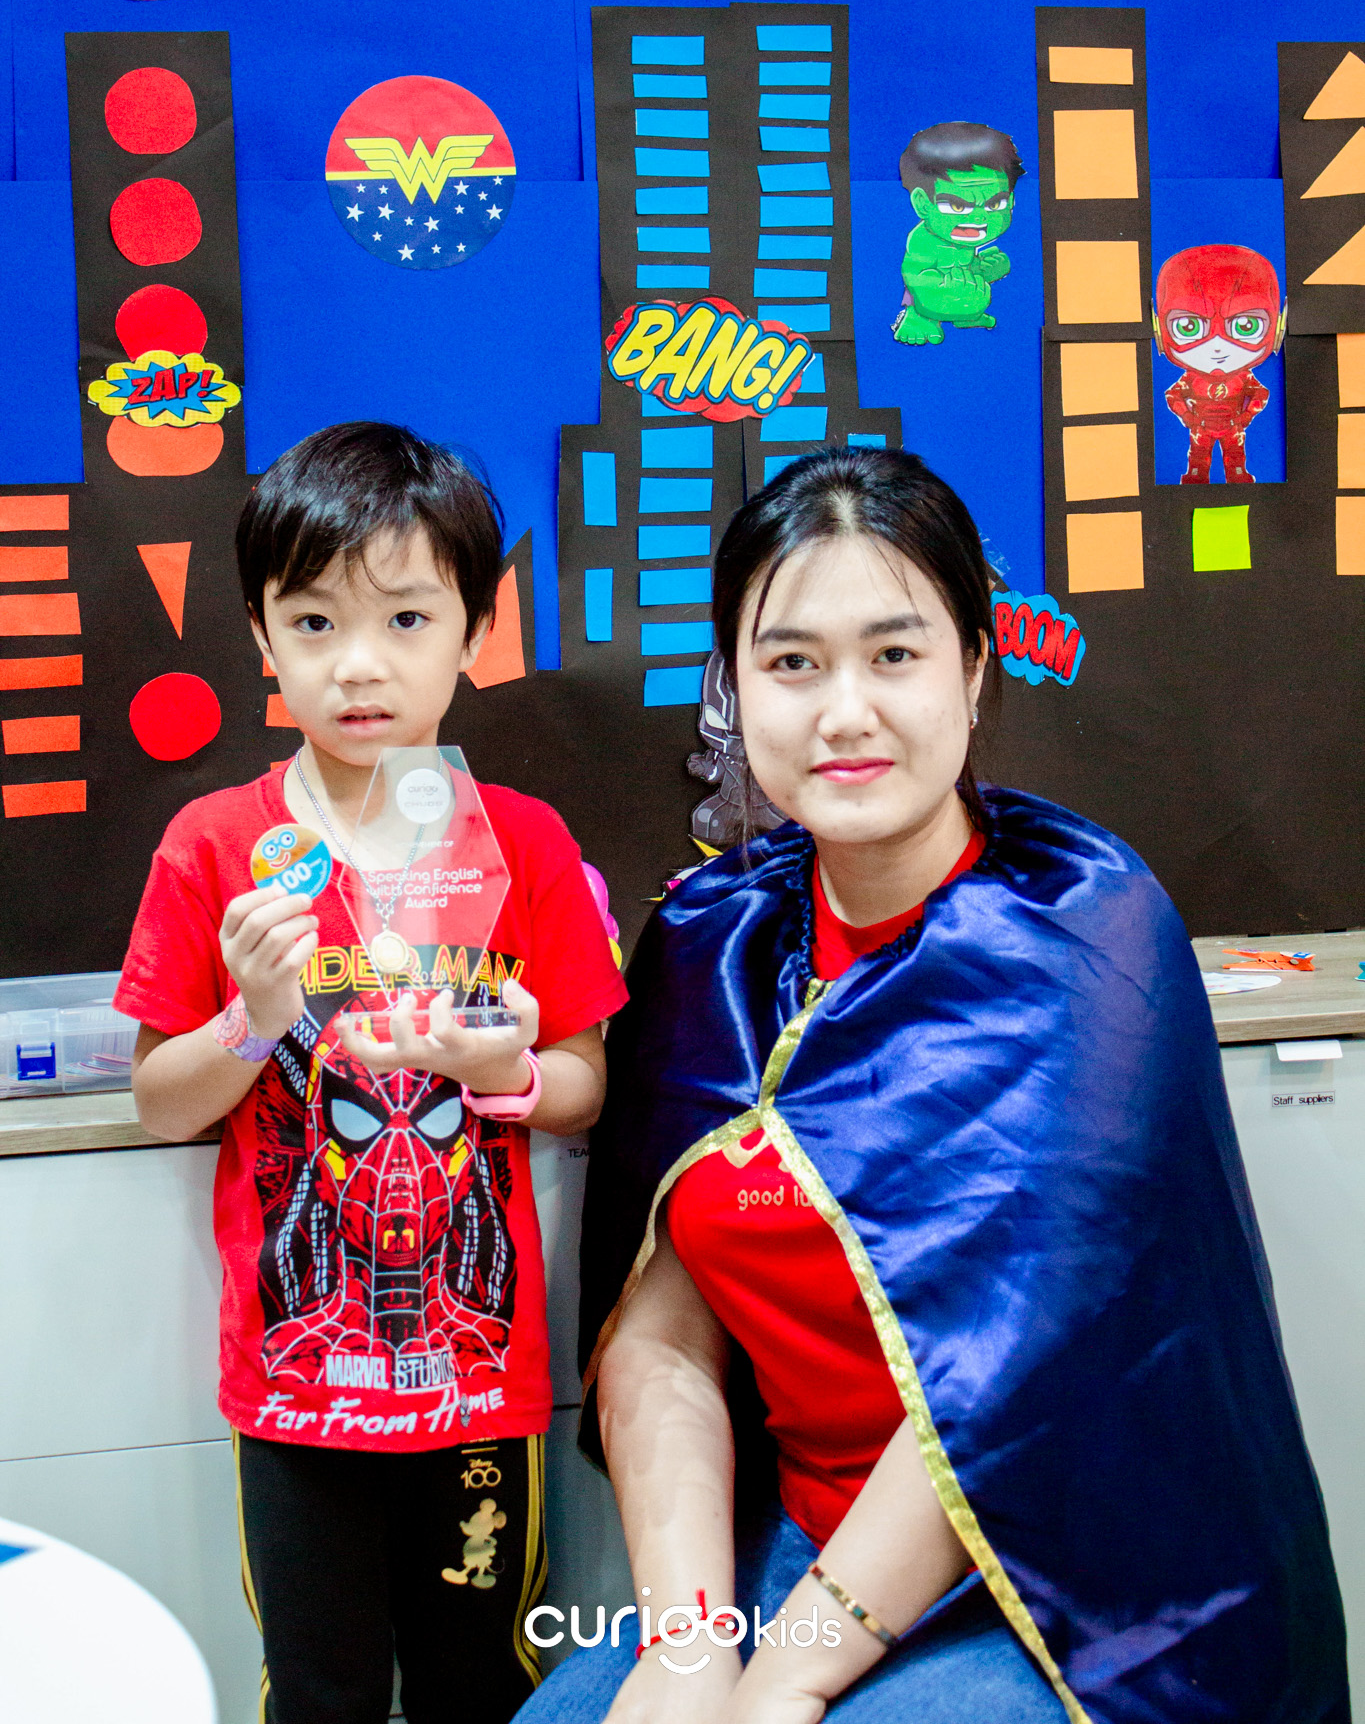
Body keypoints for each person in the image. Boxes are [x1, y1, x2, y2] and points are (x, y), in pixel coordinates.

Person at [524, 447, 1348, 1724]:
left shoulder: (1085, 937)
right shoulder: (707, 943)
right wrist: (688, 1649)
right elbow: (662, 1334)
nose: (844, 710)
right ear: (733, 687)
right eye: (792, 662)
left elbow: (1011, 1377)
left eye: (894, 654)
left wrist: (787, 1673)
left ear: (971, 666)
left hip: (1081, 1579)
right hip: (805, 1538)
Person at [117, 421, 628, 1724]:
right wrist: (254, 1019)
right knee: (320, 1690)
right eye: (314, 622)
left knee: (482, 1684)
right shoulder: (215, 846)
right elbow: (160, 1101)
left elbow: (586, 1078)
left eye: (407, 618)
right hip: (297, 1397)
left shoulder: (523, 843)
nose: (359, 664)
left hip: (480, 1388)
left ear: (476, 629)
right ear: (260, 636)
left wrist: (511, 1069)